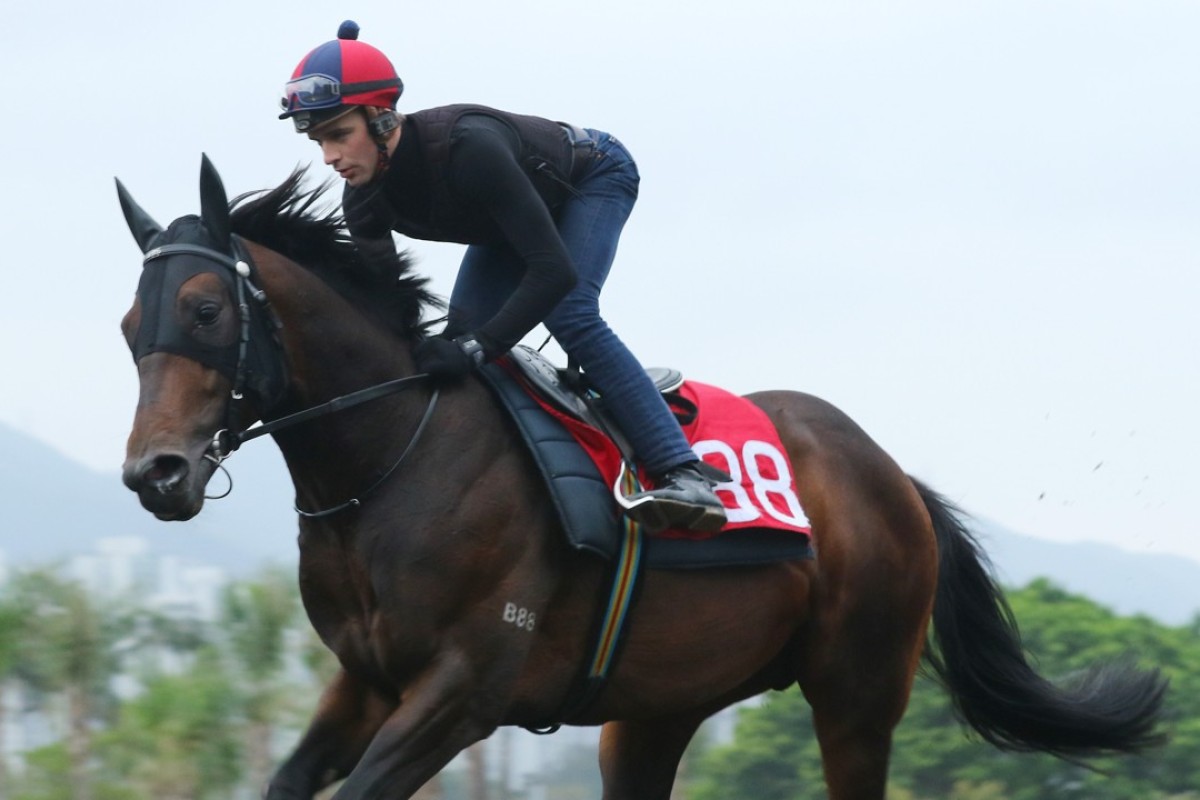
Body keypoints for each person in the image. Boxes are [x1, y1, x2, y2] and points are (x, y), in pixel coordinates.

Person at [279, 21, 726, 534]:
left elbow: (553, 272)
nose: (330, 157)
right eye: (319, 141)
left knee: (569, 313)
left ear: (381, 121)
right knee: (455, 344)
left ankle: (685, 473)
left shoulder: (469, 149)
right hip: (508, 222)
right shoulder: (362, 201)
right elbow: (391, 312)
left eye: (339, 135)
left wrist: (477, 346)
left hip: (592, 177)